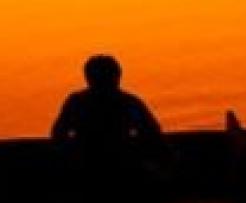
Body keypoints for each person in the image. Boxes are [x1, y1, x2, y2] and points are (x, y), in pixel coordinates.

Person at [51, 55, 166, 183]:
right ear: (117, 76)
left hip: (86, 164)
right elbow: (152, 133)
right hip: (120, 165)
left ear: (88, 78)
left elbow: (59, 134)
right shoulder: (129, 102)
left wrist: (70, 155)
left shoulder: (76, 101)